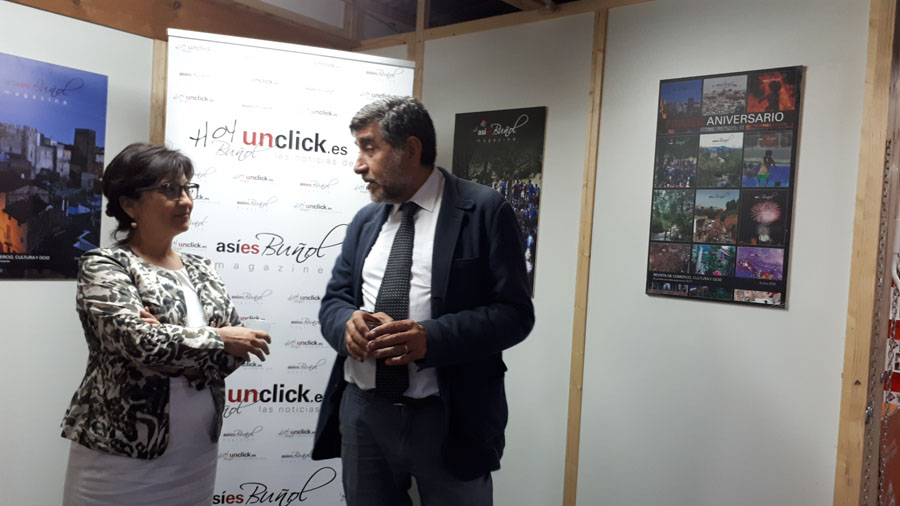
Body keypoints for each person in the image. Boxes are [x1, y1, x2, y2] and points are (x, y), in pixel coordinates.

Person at [312, 97, 535, 506]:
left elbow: (515, 314)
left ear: (410, 149)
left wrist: (430, 339)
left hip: (449, 416)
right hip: (363, 413)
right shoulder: (365, 220)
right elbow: (334, 301)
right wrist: (345, 325)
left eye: (369, 148)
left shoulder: (484, 210)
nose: (358, 165)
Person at [60, 143, 272, 506]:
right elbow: (140, 343)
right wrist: (216, 339)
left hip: (196, 454)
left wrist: (174, 342)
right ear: (130, 205)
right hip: (121, 456)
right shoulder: (105, 265)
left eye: (188, 188)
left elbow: (238, 351)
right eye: (170, 190)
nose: (186, 200)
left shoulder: (201, 269)